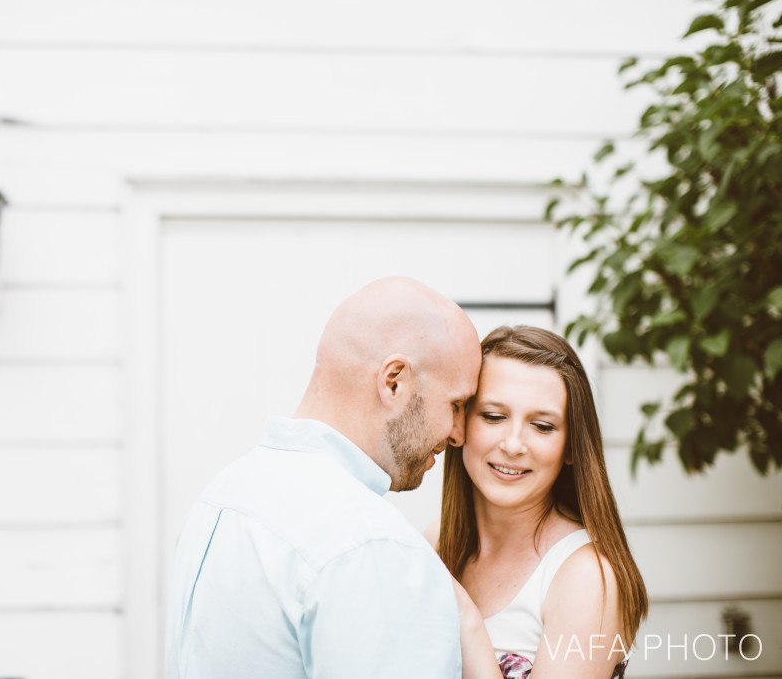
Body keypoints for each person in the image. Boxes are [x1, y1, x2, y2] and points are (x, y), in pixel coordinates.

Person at [165, 277, 483, 679]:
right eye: (456, 404)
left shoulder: (222, 498)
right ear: (394, 382)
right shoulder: (374, 547)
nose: (459, 433)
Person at [427, 326, 649, 679]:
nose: (513, 444)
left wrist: (467, 622)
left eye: (542, 426)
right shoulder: (433, 546)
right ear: (459, 423)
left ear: (572, 447)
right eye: (494, 416)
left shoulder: (587, 577)